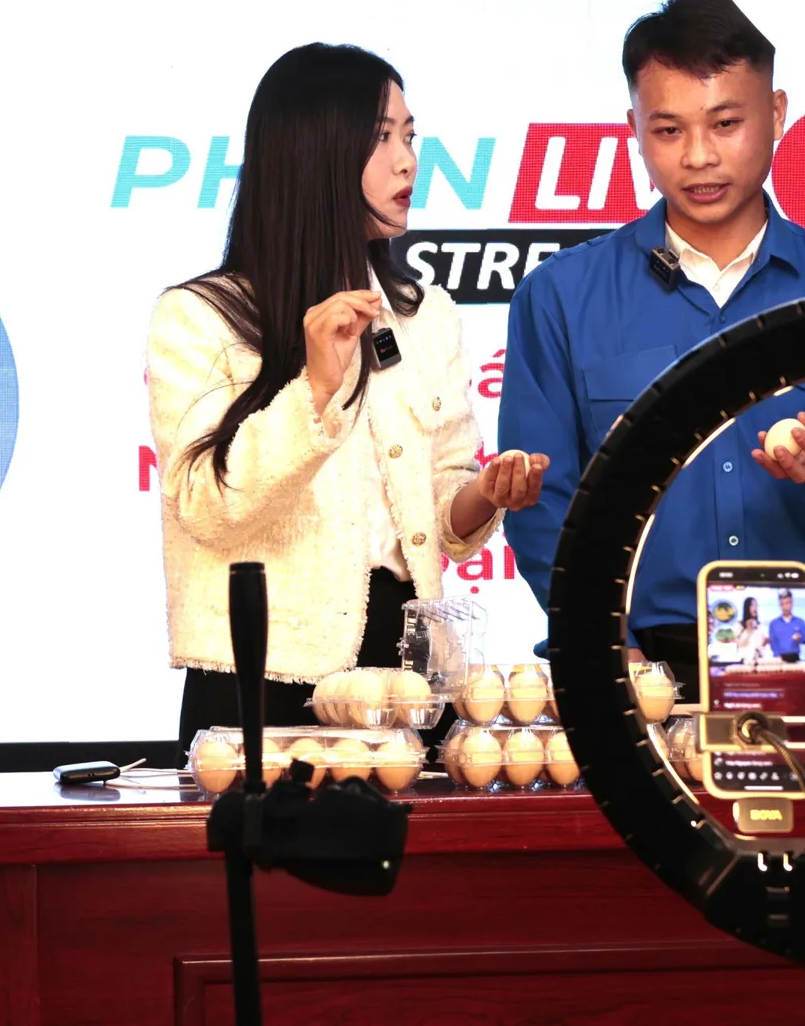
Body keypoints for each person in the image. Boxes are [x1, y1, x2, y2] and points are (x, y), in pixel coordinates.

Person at [499, 0, 805, 706]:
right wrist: (604, 638)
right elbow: (540, 503)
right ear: (634, 131)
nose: (699, 156)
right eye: (668, 130)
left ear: (776, 113)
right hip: (636, 668)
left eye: (726, 123)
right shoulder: (559, 296)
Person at [148, 43, 548, 756]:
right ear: (316, 154)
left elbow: (445, 514)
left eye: (410, 136)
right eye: (382, 138)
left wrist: (484, 493)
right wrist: (315, 386)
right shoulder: (200, 317)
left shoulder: (426, 314)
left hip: (411, 673)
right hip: (262, 672)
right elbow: (205, 505)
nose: (407, 161)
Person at [766, 589, 805, 665]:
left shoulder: (800, 622)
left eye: (787, 603)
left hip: (795, 658)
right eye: (782, 604)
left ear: (792, 604)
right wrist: (777, 656)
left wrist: (800, 638)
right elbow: (773, 643)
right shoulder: (773, 624)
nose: (785, 607)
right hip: (779, 660)